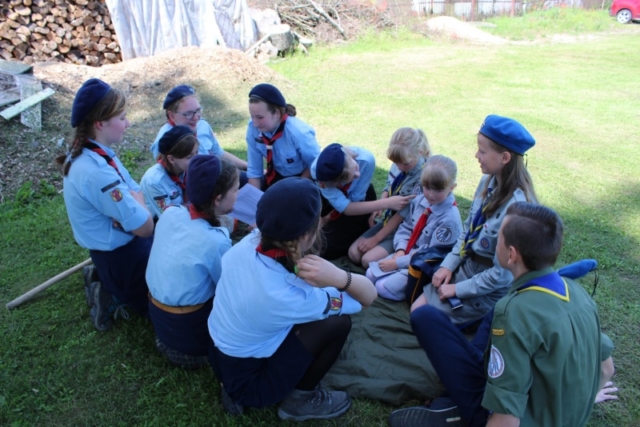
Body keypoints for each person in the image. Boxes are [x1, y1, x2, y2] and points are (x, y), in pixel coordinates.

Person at [389, 202, 616, 427]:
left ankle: (455, 411)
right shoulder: (577, 292)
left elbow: (506, 420)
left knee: (425, 318)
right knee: (488, 316)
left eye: (498, 237)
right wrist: (581, 402)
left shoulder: (514, 313)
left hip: (512, 417)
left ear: (511, 254)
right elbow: (607, 368)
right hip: (549, 407)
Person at [208, 177, 377, 421]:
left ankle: (234, 386)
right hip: (252, 384)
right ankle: (300, 401)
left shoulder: (246, 244)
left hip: (220, 356)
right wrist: (340, 277)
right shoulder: (292, 295)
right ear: (307, 236)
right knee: (337, 323)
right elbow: (367, 297)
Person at [411, 115, 537, 325]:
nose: (476, 155)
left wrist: (457, 289)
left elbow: (502, 275)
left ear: (505, 158)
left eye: (482, 151)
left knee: (421, 318)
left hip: (489, 288)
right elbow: (468, 230)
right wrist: (448, 265)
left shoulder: (518, 209)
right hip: (467, 266)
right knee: (417, 309)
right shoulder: (487, 182)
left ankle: (483, 324)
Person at [55, 78, 153, 332]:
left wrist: (136, 206)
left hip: (122, 248)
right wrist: (139, 208)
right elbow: (145, 227)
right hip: (124, 258)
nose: (128, 124)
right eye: (122, 118)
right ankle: (110, 292)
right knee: (169, 301)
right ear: (100, 123)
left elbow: (135, 189)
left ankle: (104, 278)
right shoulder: (96, 171)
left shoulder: (96, 152)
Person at [146, 155, 239, 369]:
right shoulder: (216, 242)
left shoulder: (171, 213)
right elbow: (227, 286)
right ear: (217, 199)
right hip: (189, 328)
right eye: (235, 190)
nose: (239, 194)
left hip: (159, 316)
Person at [368, 155, 462, 301]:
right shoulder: (420, 200)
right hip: (406, 254)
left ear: (452, 187)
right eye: (427, 187)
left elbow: (430, 255)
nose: (431, 194)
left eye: (438, 190)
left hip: (422, 266)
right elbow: (406, 227)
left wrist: (397, 263)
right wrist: (400, 250)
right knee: (370, 274)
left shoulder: (450, 220)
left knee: (382, 287)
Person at [310, 143, 414, 260]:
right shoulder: (320, 175)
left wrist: (386, 203)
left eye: (355, 168)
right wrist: (387, 203)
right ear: (335, 182)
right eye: (352, 177)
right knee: (317, 245)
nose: (358, 174)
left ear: (351, 156)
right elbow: (345, 207)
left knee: (326, 247)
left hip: (359, 203)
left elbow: (354, 202)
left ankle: (359, 228)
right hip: (337, 203)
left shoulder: (366, 160)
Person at [349, 127, 428, 268]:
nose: (400, 167)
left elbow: (402, 214)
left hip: (404, 229)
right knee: (354, 254)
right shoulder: (401, 160)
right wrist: (380, 205)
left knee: (367, 260)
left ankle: (399, 258)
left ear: (419, 153)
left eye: (404, 164)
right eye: (396, 163)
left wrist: (375, 239)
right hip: (388, 220)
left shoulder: (423, 177)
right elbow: (390, 184)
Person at [149, 84, 248, 173]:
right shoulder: (163, 142)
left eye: (198, 110)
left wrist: (247, 166)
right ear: (172, 116)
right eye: (188, 114)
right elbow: (170, 177)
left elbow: (219, 154)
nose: (196, 117)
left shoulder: (202, 125)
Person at [245, 83, 321, 190]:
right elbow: (254, 171)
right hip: (276, 176)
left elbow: (315, 164)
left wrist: (296, 188)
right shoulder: (253, 128)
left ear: (277, 113)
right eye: (252, 116)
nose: (255, 123)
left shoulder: (298, 132)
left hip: (304, 178)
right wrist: (253, 197)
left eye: (260, 117)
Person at [140, 125, 198, 219]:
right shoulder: (154, 181)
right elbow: (169, 217)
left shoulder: (187, 169)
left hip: (186, 215)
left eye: (197, 152)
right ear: (171, 159)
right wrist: (194, 206)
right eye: (189, 157)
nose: (196, 159)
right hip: (157, 223)